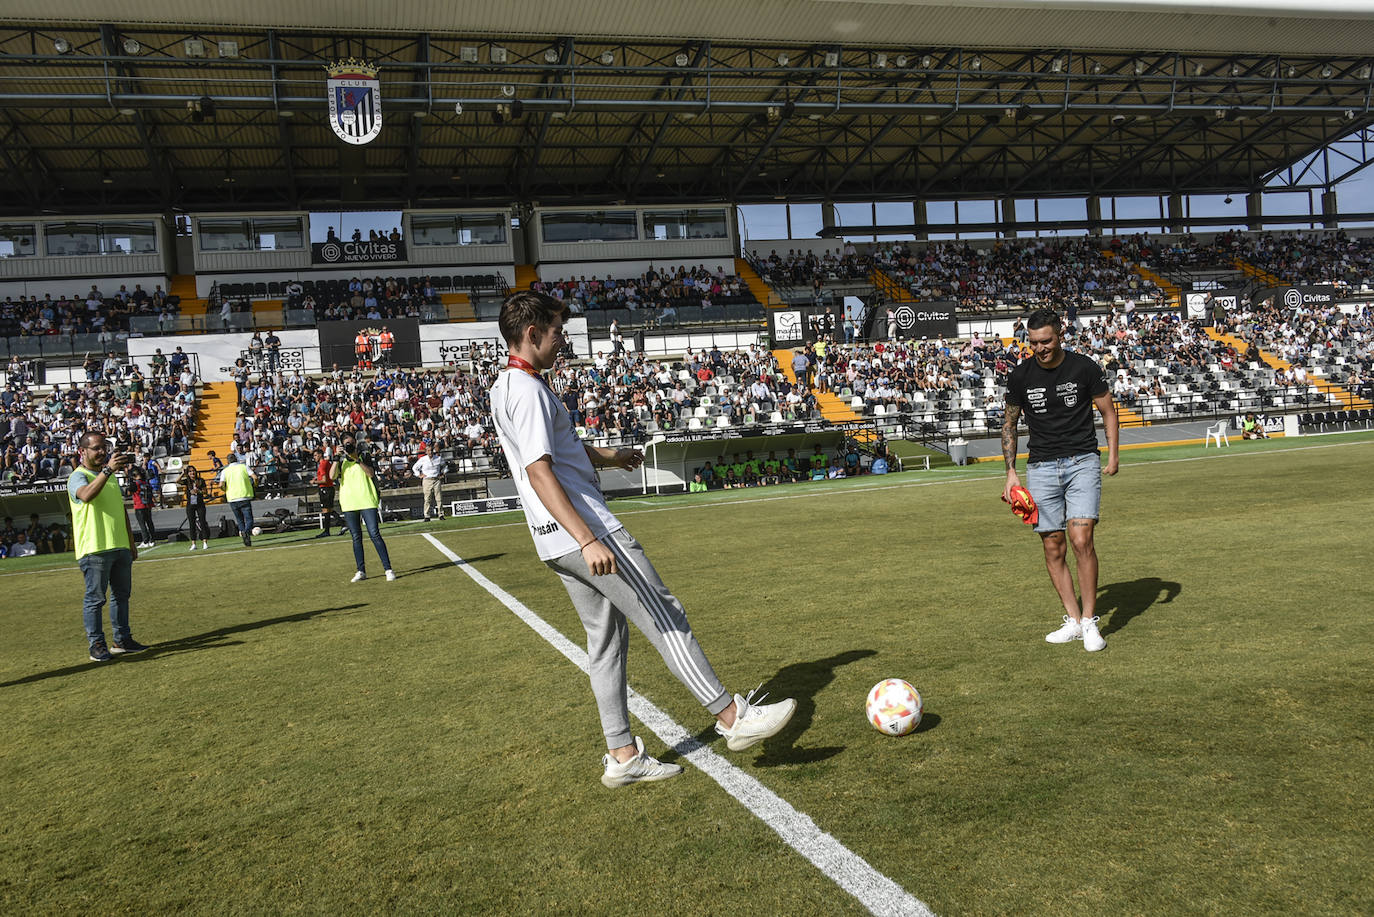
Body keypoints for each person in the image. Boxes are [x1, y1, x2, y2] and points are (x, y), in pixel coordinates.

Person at [488, 291, 796, 789]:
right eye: (555, 330)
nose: (561, 338)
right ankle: (731, 718)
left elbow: (557, 448)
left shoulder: (509, 385)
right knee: (664, 614)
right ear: (531, 334)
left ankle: (622, 755)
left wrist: (608, 458)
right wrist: (589, 539)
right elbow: (539, 471)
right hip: (585, 531)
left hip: (552, 542)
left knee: (606, 641)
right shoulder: (526, 391)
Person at [1002, 309, 1120, 653]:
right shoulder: (1020, 376)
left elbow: (1108, 411)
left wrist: (1112, 455)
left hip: (1082, 460)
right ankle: (1071, 620)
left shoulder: (1084, 367)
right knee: (1053, 545)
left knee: (1081, 539)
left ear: (1060, 336)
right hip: (1039, 468)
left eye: (1047, 341)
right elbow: (1009, 424)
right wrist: (1011, 473)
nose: (1041, 348)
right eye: (1034, 342)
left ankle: (1089, 622)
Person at [68, 432, 148, 662]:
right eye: (96, 448)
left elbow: (120, 510)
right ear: (83, 451)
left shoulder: (109, 476)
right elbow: (86, 496)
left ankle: (122, 640)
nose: (102, 452)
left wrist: (130, 543)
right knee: (95, 599)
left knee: (122, 596)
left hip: (118, 545)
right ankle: (97, 645)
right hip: (94, 548)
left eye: (104, 447)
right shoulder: (78, 476)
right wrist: (107, 471)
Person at [331, 435, 395, 582]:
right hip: (349, 502)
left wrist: (356, 458)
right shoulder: (340, 460)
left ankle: (388, 569)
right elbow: (332, 475)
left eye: (351, 444)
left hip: (366, 500)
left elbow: (371, 473)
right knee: (356, 537)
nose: (349, 446)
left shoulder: (364, 456)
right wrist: (336, 457)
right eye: (346, 444)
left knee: (374, 534)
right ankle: (361, 571)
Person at [218, 453, 257, 546]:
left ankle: (243, 533)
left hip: (232, 498)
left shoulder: (225, 471)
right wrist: (254, 485)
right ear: (237, 459)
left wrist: (224, 489)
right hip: (244, 495)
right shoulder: (244, 467)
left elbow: (220, 485)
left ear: (228, 461)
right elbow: (255, 477)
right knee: (249, 519)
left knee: (239, 519)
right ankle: (246, 532)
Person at [411, 445, 445, 521]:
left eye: (431, 450)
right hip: (427, 480)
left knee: (439, 498)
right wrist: (419, 475)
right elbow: (414, 468)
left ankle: (441, 514)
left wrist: (443, 473)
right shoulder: (423, 459)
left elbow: (445, 466)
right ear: (426, 452)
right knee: (427, 499)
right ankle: (427, 515)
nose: (430, 452)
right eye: (428, 450)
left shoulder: (438, 458)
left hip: (436, 479)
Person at [313, 447, 340, 537]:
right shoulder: (326, 463)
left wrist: (314, 482)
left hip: (325, 488)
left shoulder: (322, 464)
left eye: (316, 455)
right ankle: (342, 524)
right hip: (329, 488)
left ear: (320, 455)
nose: (314, 457)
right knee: (329, 509)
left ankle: (327, 530)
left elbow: (324, 480)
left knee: (326, 510)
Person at [183, 466, 211, 551]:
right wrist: (182, 474)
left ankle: (205, 542)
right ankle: (193, 543)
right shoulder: (187, 481)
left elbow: (205, 492)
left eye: (193, 471)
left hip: (200, 503)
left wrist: (198, 491)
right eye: (190, 471)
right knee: (192, 524)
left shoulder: (200, 480)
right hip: (190, 504)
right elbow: (177, 481)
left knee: (202, 522)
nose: (192, 473)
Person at [130, 468, 157, 547]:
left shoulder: (136, 484)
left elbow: (128, 492)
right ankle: (152, 540)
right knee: (149, 523)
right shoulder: (145, 483)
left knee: (142, 524)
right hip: (147, 505)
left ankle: (146, 541)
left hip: (139, 505)